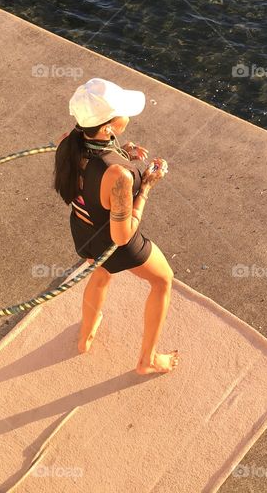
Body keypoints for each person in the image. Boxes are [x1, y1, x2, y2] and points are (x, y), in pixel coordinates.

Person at [53, 78, 180, 375]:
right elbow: (121, 236)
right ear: (108, 125)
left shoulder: (66, 143)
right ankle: (147, 360)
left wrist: (122, 151)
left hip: (83, 231)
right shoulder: (119, 176)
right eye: (123, 112)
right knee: (163, 281)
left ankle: (85, 336)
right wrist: (146, 185)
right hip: (111, 242)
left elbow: (91, 167)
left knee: (100, 273)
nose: (129, 117)